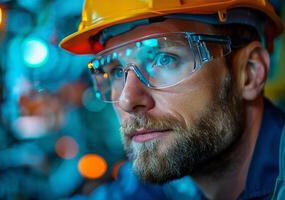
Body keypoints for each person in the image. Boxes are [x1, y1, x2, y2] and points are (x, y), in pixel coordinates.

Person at [60, 0, 285, 199]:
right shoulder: (174, 173)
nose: (127, 100)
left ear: (250, 73)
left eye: (165, 59)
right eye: (117, 71)